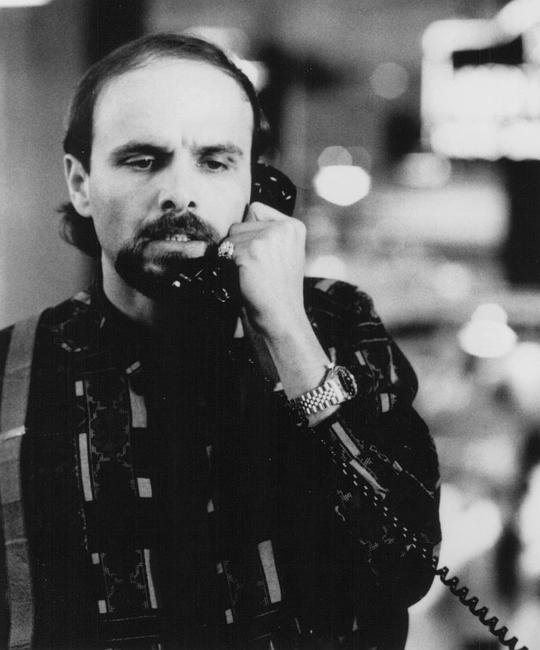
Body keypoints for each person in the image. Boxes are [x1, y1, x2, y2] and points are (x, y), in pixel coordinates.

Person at [0, 33, 440, 650]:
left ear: (256, 186)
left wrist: (289, 335)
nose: (179, 193)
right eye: (142, 160)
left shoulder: (339, 325)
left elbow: (407, 567)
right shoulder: (11, 371)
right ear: (80, 183)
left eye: (214, 161)